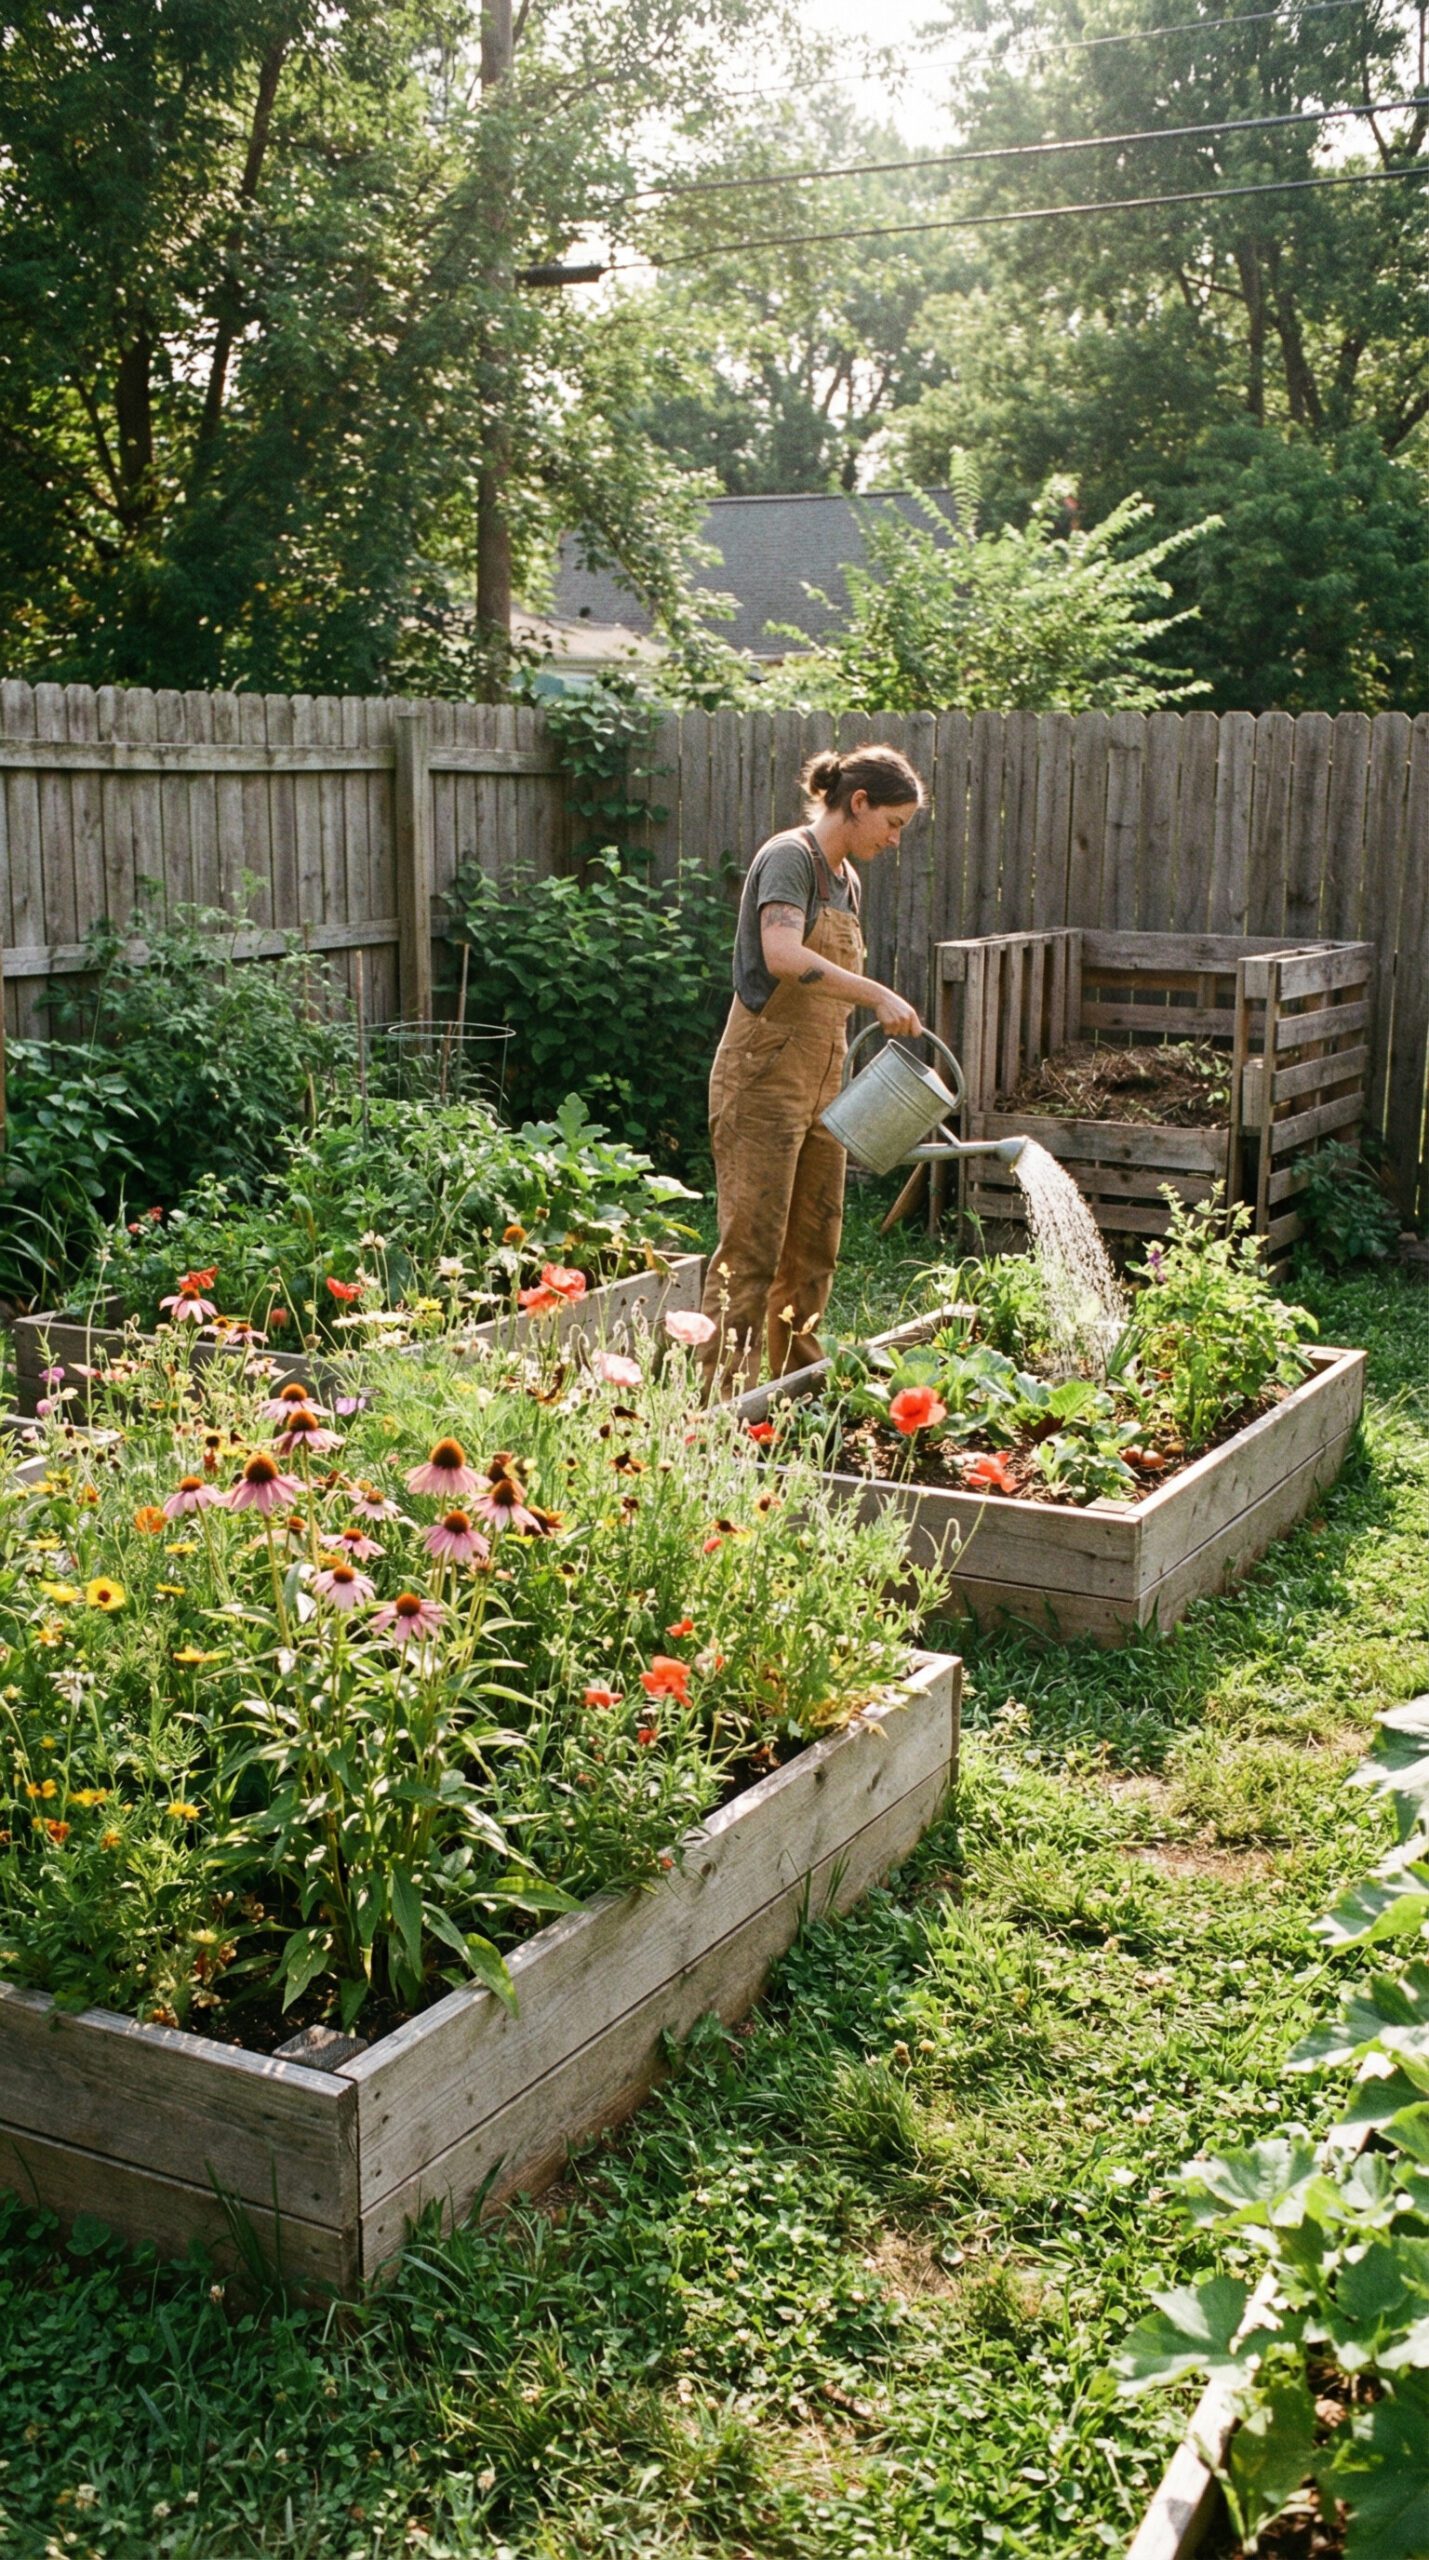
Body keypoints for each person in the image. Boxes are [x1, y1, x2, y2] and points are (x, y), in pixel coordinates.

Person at [696, 742, 926, 1397]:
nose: (893, 839)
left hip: (823, 1082)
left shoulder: (846, 878)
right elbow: (781, 954)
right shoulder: (789, 858)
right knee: (751, 1252)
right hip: (762, 1078)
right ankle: (720, 1409)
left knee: (812, 1249)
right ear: (858, 802)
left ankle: (794, 1393)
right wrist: (875, 993)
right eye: (892, 823)